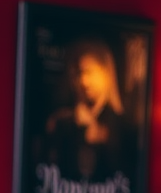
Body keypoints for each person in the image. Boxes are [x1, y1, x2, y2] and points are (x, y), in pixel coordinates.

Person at [44, 40, 128, 182]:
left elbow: (124, 169)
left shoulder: (122, 122)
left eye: (88, 72)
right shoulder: (62, 121)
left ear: (106, 73)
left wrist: (95, 131)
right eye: (78, 74)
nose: (83, 81)